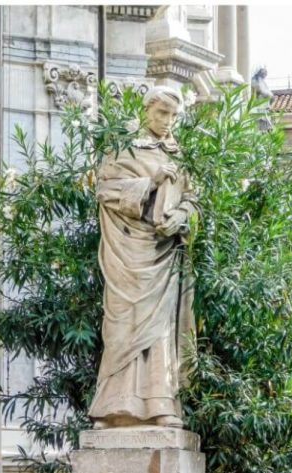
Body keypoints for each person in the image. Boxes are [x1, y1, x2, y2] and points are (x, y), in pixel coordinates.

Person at [89, 86, 198, 429]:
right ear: (146, 111)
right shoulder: (123, 148)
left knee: (160, 330)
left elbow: (194, 200)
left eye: (172, 115)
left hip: (164, 254)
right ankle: (112, 406)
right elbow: (104, 191)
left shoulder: (180, 154)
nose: (167, 121)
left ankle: (159, 402)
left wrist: (183, 217)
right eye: (161, 112)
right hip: (127, 254)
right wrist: (150, 182)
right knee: (122, 327)